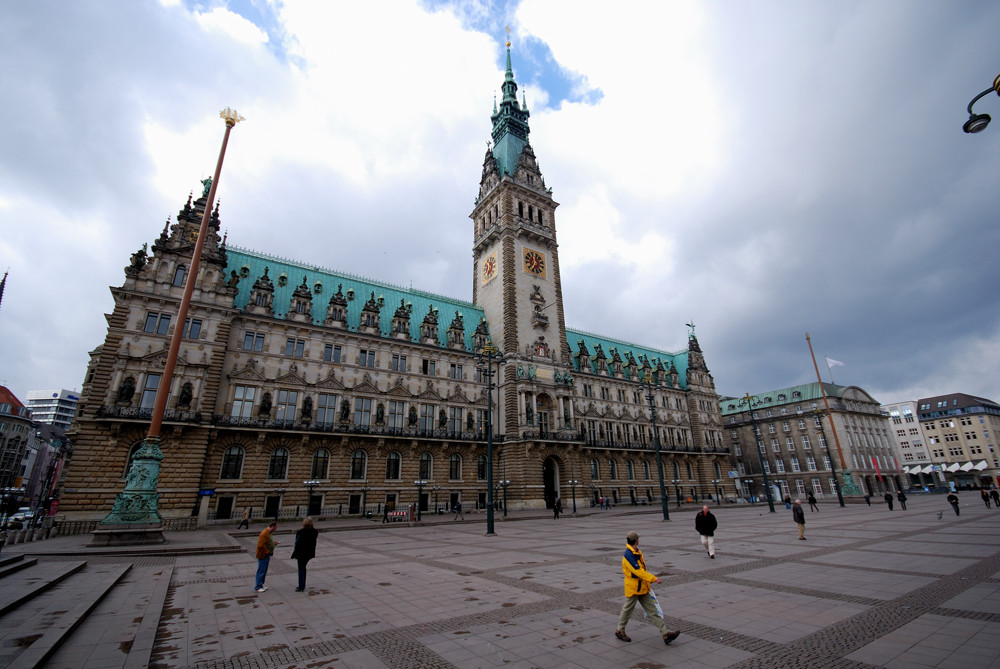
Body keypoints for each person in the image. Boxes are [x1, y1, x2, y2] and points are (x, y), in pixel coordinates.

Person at [615, 531, 680, 646]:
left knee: (652, 610)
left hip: (642, 587)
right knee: (627, 610)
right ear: (636, 540)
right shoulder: (628, 555)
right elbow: (639, 571)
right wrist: (653, 578)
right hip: (634, 588)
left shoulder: (636, 552)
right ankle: (620, 630)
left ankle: (665, 634)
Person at [291, 516, 318, 592]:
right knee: (303, 567)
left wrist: (296, 549)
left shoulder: (301, 532)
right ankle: (302, 585)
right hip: (309, 553)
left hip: (301, 553)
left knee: (301, 569)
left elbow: (297, 543)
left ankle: (301, 586)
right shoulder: (315, 532)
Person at [255, 521, 279, 593]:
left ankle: (261, 585)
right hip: (263, 555)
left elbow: (267, 542)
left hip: (266, 554)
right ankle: (258, 586)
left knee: (264, 570)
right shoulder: (264, 533)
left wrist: (274, 543)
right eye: (276, 528)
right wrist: (267, 552)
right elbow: (260, 546)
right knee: (261, 570)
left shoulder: (269, 533)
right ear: (272, 527)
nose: (276, 529)